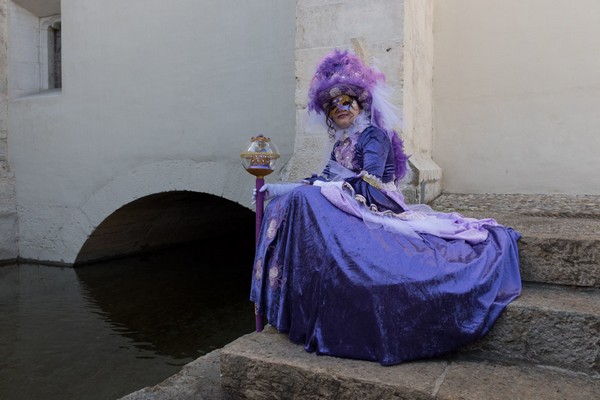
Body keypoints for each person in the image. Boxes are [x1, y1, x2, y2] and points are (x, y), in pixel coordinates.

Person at [250, 48, 521, 366]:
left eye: (346, 102)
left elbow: (371, 182)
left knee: (315, 206)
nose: (340, 109)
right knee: (293, 201)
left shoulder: (373, 137)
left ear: (359, 103)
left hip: (377, 202)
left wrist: (324, 190)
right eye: (333, 105)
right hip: (351, 200)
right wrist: (279, 189)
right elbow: (320, 182)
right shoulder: (340, 144)